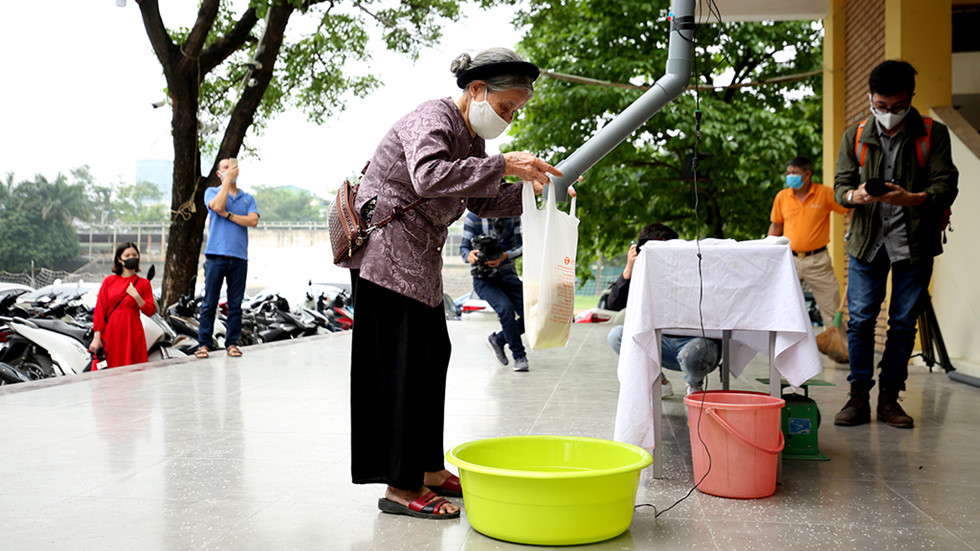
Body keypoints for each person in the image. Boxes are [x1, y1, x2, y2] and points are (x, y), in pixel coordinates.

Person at [340, 47, 562, 520]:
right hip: (384, 259)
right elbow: (427, 176)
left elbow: (481, 202)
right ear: (476, 90)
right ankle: (400, 488)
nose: (507, 118)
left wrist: (532, 191)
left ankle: (428, 470)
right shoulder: (433, 117)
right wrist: (504, 166)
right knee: (399, 372)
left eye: (515, 112)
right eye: (505, 108)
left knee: (428, 361)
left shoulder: (471, 139)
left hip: (417, 265)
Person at [833, 60, 958, 429]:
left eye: (897, 107)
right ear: (871, 98)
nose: (888, 114)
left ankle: (890, 399)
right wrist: (854, 195)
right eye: (881, 106)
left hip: (914, 244)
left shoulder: (933, 133)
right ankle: (858, 398)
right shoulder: (855, 134)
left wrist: (913, 198)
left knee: (902, 324)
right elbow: (840, 185)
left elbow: (946, 185)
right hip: (866, 243)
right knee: (860, 323)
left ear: (910, 99)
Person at [606, 223, 721, 396]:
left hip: (696, 344)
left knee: (695, 351)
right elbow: (613, 304)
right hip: (659, 342)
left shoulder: (695, 264)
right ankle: (659, 381)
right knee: (617, 335)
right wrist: (630, 268)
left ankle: (694, 385)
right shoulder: (642, 270)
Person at [768, 156, 850, 332]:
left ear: (807, 174)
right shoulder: (782, 197)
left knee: (831, 308)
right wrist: (768, 254)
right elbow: (775, 226)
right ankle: (781, 349)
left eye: (794, 173)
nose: (790, 176)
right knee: (781, 306)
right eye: (788, 173)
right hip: (789, 259)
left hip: (818, 261)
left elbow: (849, 208)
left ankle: (841, 352)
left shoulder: (825, 193)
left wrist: (854, 235)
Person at [196, 158, 260, 359]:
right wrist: (226, 183)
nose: (229, 171)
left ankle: (232, 343)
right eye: (225, 168)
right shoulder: (212, 192)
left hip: (239, 257)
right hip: (215, 256)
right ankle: (204, 344)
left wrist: (229, 215)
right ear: (218, 173)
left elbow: (253, 220)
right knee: (209, 302)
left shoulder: (247, 198)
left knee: (235, 304)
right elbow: (216, 206)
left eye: (232, 168)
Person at [460, 213, 528, 371]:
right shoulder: (473, 217)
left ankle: (498, 340)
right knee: (505, 309)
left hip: (508, 274)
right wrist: (468, 255)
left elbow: (522, 246)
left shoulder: (512, 215)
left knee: (531, 314)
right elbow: (463, 248)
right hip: (483, 279)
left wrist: (504, 256)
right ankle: (519, 356)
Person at [89, 242, 156, 368]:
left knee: (133, 374)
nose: (131, 257)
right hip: (110, 335)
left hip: (132, 334)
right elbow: (100, 311)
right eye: (127, 255)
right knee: (106, 373)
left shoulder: (144, 283)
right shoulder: (109, 281)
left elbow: (150, 310)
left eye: (134, 255)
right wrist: (96, 337)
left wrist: (137, 297)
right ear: (119, 259)